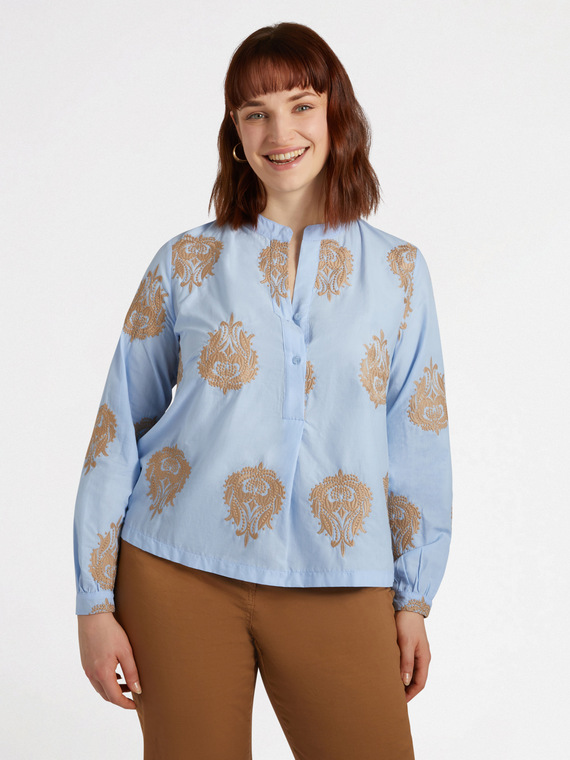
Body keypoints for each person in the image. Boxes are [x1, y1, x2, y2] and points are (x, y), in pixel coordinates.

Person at [74, 22, 452, 760]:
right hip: (176, 570)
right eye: (257, 113)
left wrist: (413, 597)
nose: (281, 133)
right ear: (236, 132)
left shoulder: (400, 273)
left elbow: (419, 437)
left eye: (301, 105)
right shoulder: (185, 261)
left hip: (340, 574)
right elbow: (118, 428)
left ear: (336, 113)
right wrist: (94, 603)